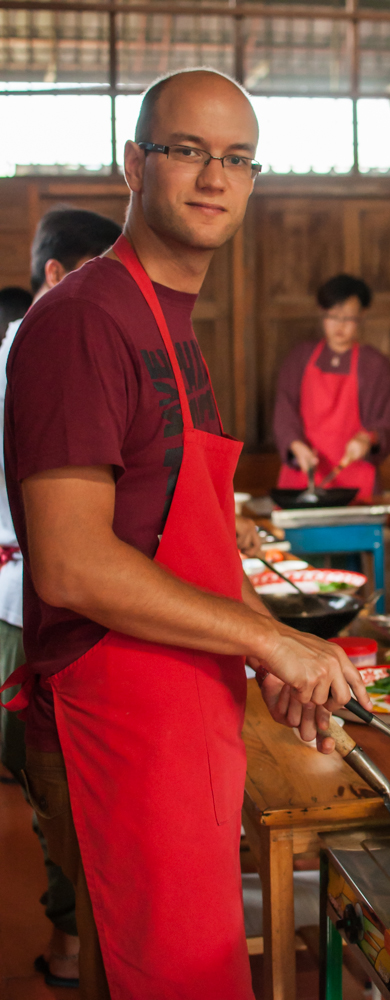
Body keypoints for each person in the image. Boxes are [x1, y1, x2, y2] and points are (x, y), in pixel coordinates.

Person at [1, 67, 368, 1000]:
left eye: (237, 158)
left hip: (182, 707)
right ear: (134, 163)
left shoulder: (170, 323)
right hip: (115, 721)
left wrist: (271, 655)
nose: (215, 176)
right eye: (188, 151)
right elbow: (75, 564)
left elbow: (183, 538)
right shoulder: (83, 320)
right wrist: (266, 636)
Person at [0, 207, 122, 990]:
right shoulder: (29, 358)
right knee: (49, 780)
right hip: (20, 605)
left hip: (47, 596)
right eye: (97, 276)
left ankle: (76, 937)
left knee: (62, 780)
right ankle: (75, 937)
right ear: (55, 275)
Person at [274, 273, 390, 501]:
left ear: (362, 315)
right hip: (304, 476)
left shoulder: (375, 366)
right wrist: (295, 445)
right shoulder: (300, 358)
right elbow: (284, 411)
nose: (340, 326)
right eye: (332, 316)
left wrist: (367, 439)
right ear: (322, 314)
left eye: (348, 318)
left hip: (356, 479)